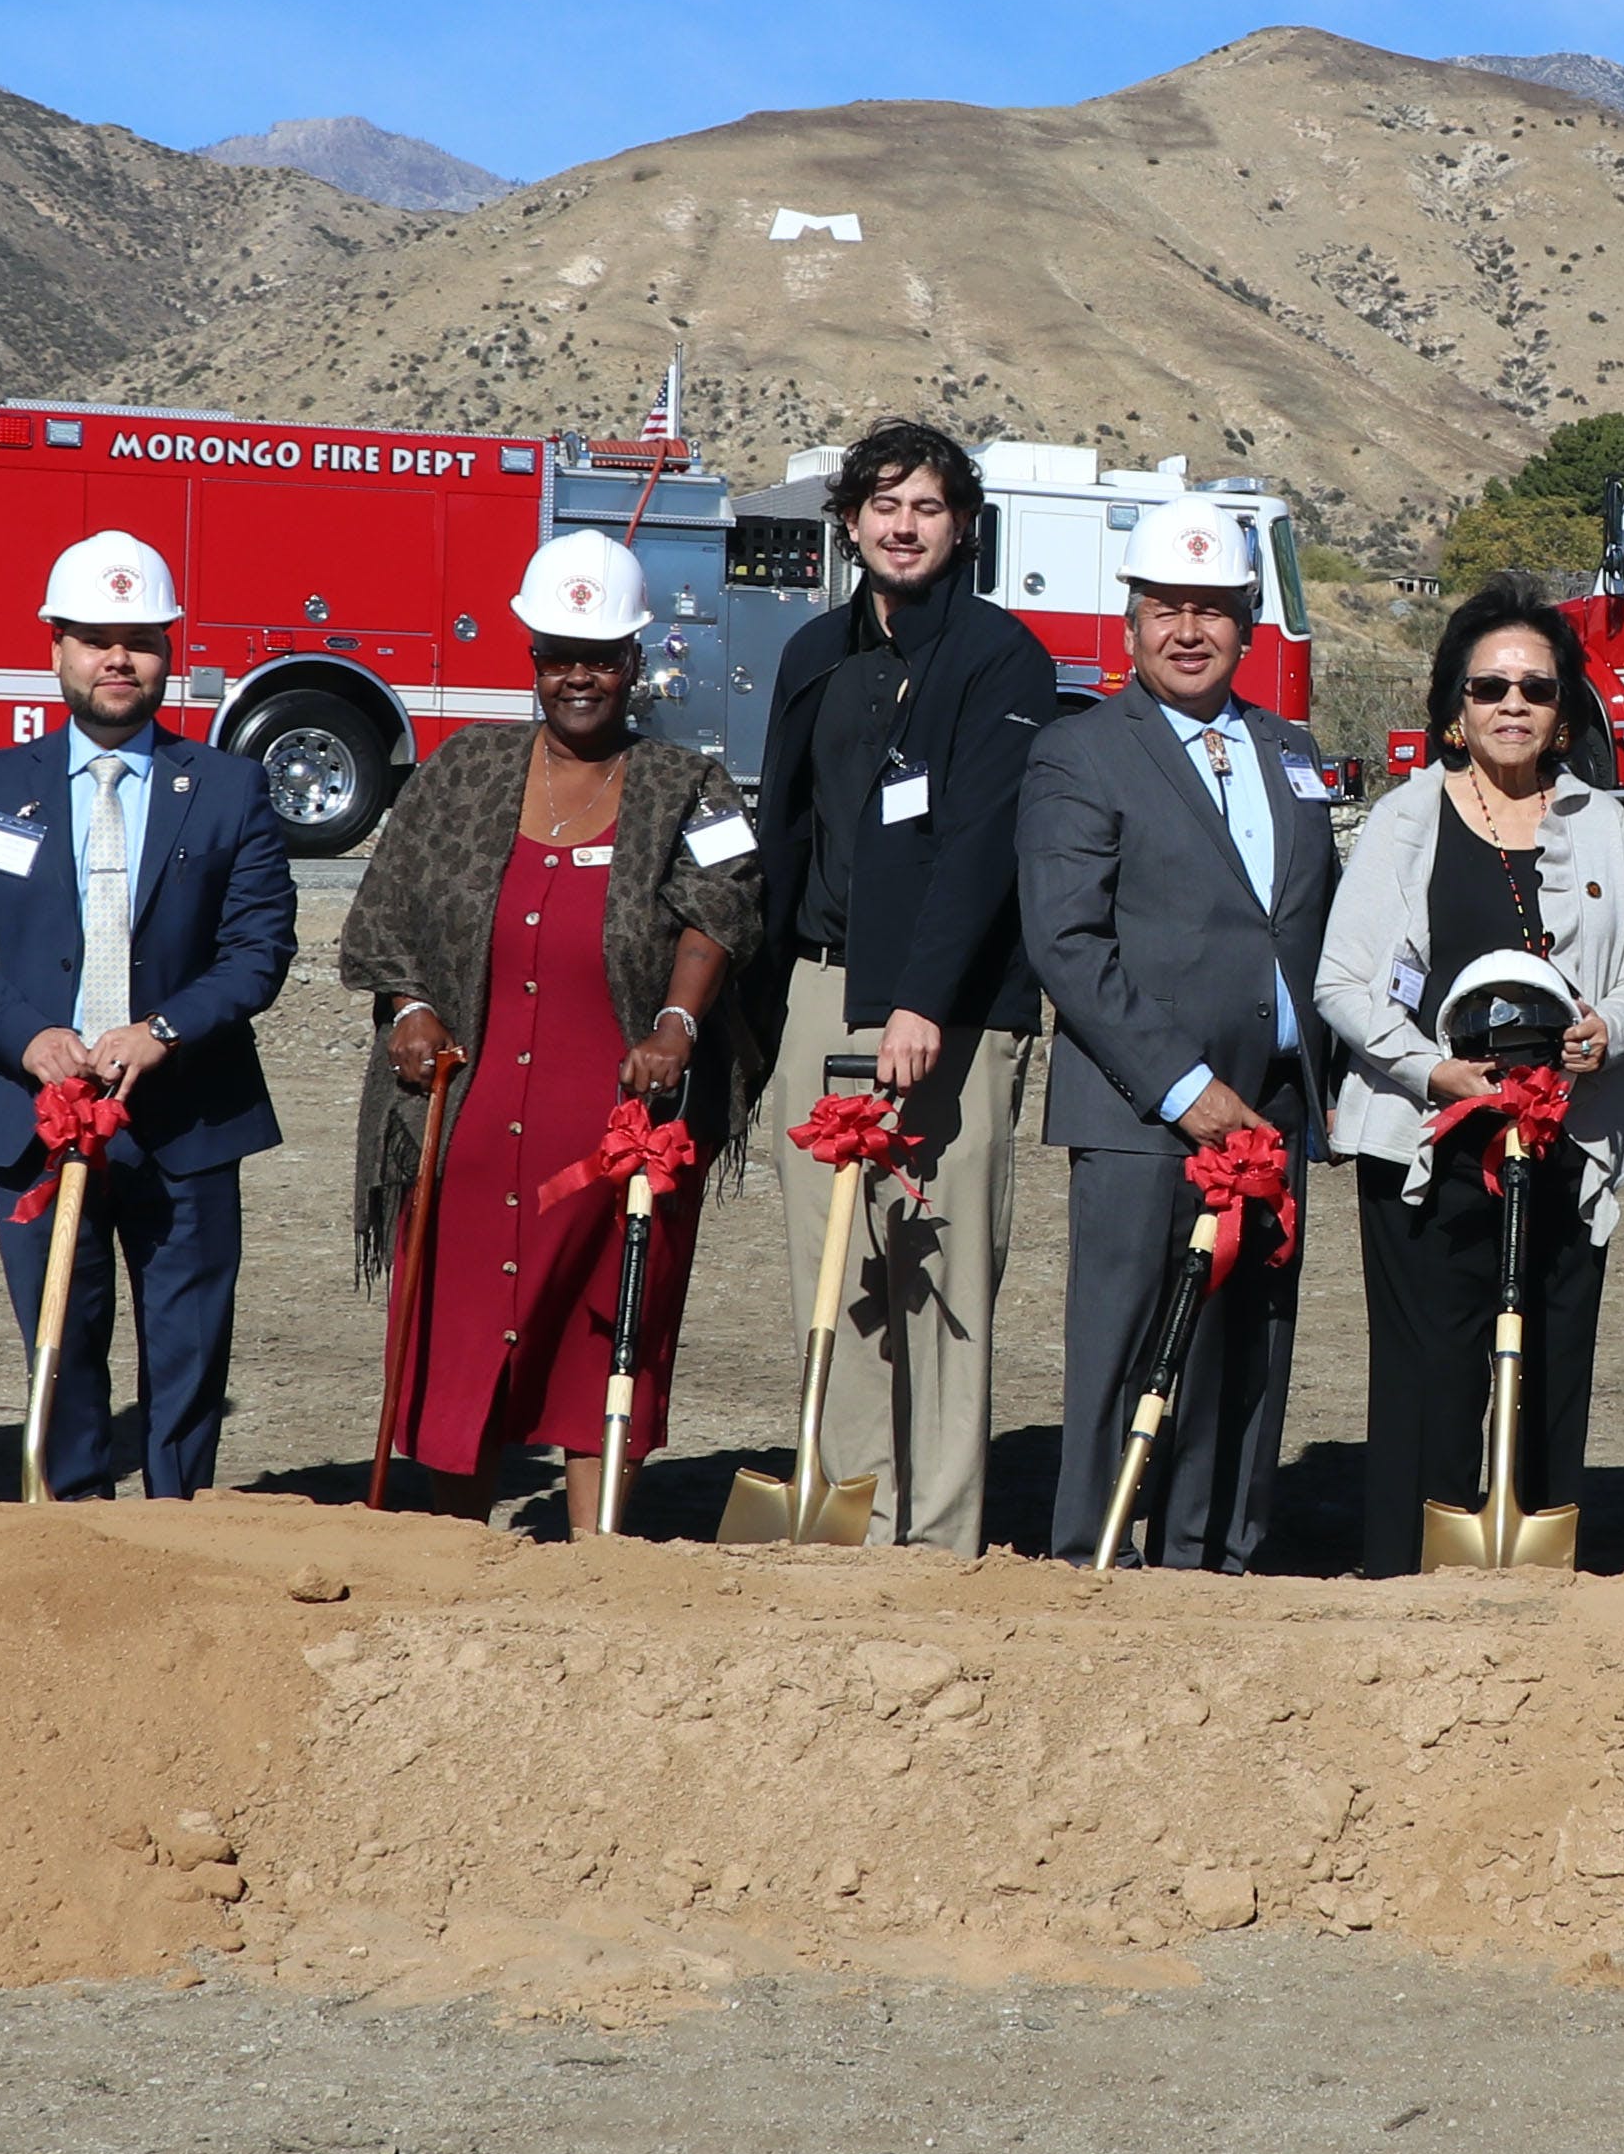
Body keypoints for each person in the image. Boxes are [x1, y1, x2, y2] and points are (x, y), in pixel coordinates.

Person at [340, 533, 771, 1532]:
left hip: (616, 1121)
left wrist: (677, 1022)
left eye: (602, 655)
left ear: (636, 661)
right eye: (557, 654)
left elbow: (725, 904)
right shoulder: (462, 771)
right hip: (469, 1116)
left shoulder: (689, 786)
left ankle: (597, 1554)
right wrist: (408, 1010)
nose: (579, 675)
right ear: (531, 657)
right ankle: (458, 1549)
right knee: (458, 1346)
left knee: (600, 1344)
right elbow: (386, 915)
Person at [0, 530, 300, 1498]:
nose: (117, 659)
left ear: (169, 650)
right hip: (33, 1116)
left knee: (186, 1355)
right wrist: (32, 1037)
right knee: (60, 1343)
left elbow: (259, 950)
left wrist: (163, 1031)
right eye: (96, 638)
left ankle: (179, 1527)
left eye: (139, 638)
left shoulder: (229, 789)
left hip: (187, 1121)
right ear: (57, 648)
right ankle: (73, 1524)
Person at [750, 419, 1068, 1546]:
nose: (902, 525)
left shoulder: (1002, 659)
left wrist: (924, 998)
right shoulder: (811, 656)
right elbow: (783, 832)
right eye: (882, 504)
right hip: (819, 991)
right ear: (848, 523)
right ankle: (850, 1516)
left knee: (934, 1273)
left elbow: (982, 842)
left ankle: (935, 1534)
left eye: (926, 506)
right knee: (833, 1275)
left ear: (963, 524)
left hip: (952, 1014)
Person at [1019, 497, 1342, 1569]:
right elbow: (1069, 944)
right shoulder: (1082, 753)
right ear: (1132, 624)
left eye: (1213, 609)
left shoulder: (1290, 750)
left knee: (1245, 1353)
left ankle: (1214, 1564)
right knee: (1122, 1353)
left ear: (1249, 624)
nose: (1189, 631)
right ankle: (1094, 1567)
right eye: (1168, 609)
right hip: (1143, 1109)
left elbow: (1302, 916)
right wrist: (1182, 1085)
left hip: (1274, 1104)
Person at [1320, 583, 1624, 1565]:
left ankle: (1536, 1582)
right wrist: (1429, 1071)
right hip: (1432, 1141)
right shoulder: (1403, 819)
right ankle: (1408, 1578)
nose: (1512, 703)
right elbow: (1346, 984)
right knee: (1432, 1379)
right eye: (1489, 686)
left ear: (1565, 713)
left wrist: (1611, 1025)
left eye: (1537, 688)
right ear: (1454, 709)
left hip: (1566, 1136)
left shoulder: (1600, 821)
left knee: (1553, 1367)